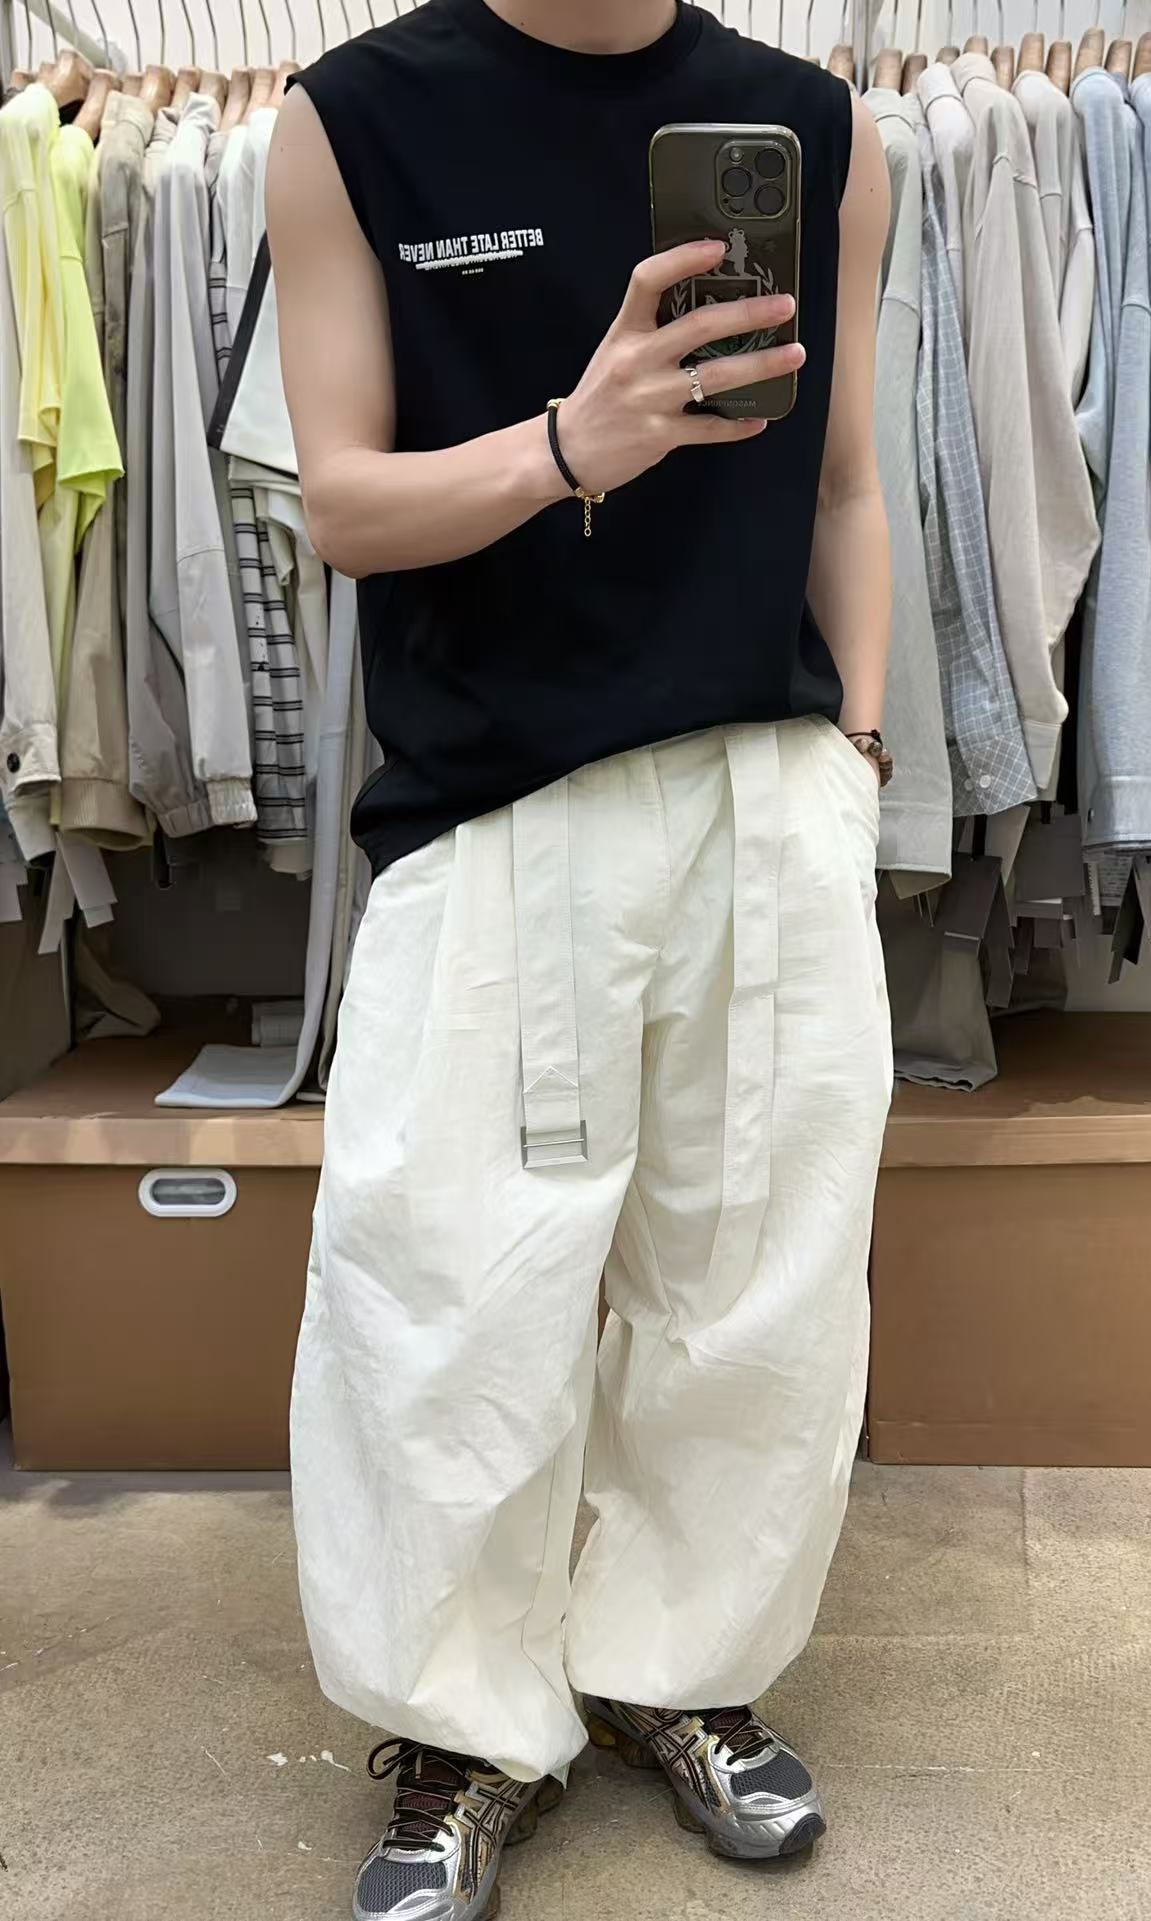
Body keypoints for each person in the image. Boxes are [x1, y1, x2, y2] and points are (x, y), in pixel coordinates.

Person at [267, 4, 892, 1916]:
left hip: (762, 790)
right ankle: (461, 1728)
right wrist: (568, 444)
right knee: (443, 1291)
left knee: (755, 1283)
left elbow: (848, 480)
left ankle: (677, 1667)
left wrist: (857, 758)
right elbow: (341, 505)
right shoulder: (351, 120)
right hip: (491, 805)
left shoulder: (813, 126)